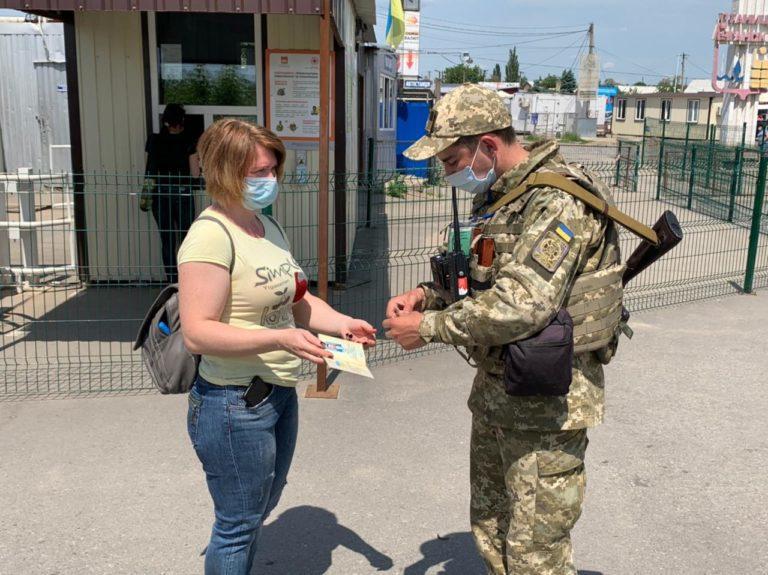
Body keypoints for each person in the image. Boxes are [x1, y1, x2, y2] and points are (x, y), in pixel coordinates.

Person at [383, 84, 624, 575]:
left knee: (536, 553)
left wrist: (427, 327)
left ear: (489, 146)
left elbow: (523, 304)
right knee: (492, 530)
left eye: (452, 160)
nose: (447, 173)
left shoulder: (557, 201)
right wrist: (428, 296)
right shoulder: (505, 197)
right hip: (499, 394)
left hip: (547, 408)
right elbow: (488, 281)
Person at [177, 118, 376, 574]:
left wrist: (344, 324)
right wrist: (279, 337)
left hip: (277, 393)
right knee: (238, 524)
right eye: (257, 173)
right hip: (232, 404)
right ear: (223, 172)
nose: (269, 181)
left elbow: (299, 300)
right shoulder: (211, 235)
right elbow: (198, 333)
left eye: (272, 170)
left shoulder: (266, 227)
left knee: (258, 508)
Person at [142, 103, 199, 283]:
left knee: (167, 239)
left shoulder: (154, 140)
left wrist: (146, 197)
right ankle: (187, 280)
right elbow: (195, 174)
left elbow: (150, 170)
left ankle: (172, 282)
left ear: (165, 121)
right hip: (183, 194)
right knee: (185, 239)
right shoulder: (189, 140)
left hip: (160, 195)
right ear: (182, 121)